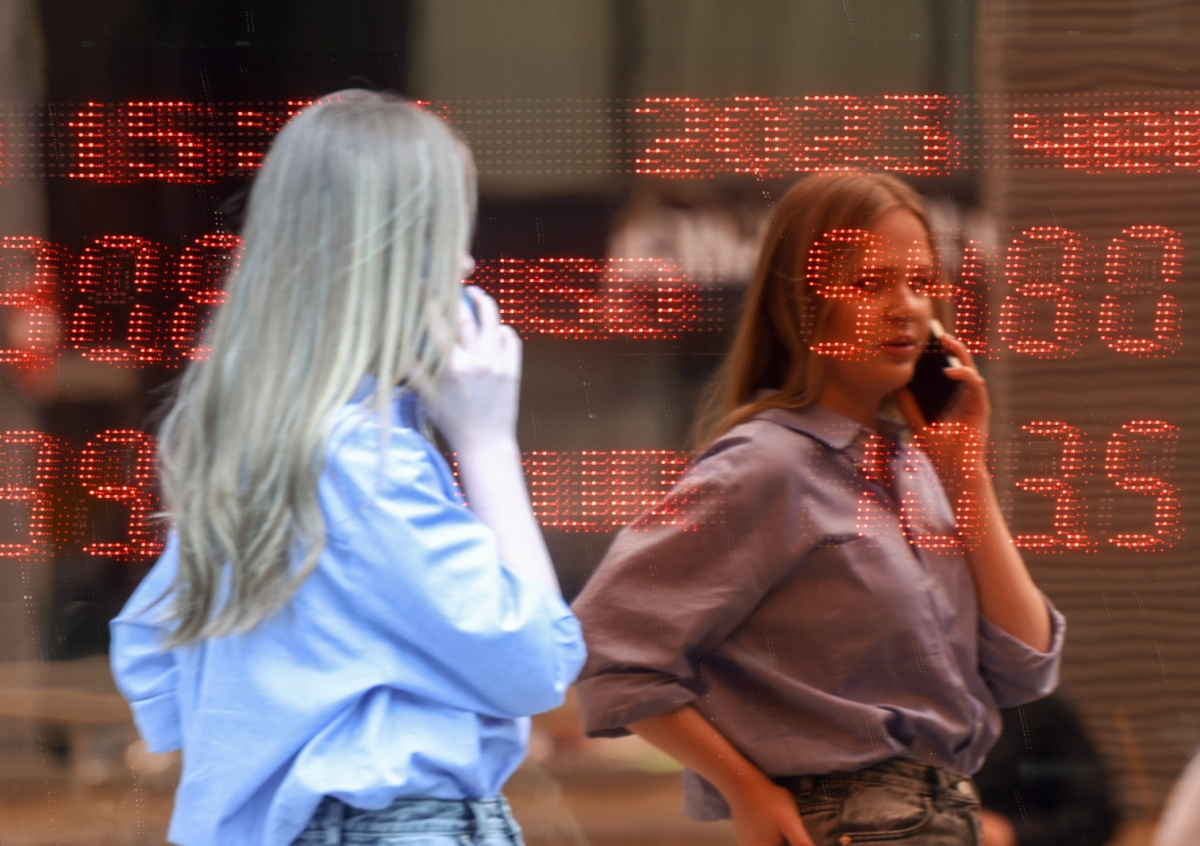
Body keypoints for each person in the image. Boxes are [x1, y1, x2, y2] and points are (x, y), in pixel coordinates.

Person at [109, 91, 585, 846]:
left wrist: (279, 721)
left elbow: (150, 658)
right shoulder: (365, 462)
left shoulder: (249, 445)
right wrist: (487, 441)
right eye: (447, 236)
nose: (467, 264)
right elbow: (537, 663)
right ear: (388, 260)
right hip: (394, 824)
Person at [571, 172, 1065, 846]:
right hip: (853, 820)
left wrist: (966, 475)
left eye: (921, 282)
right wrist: (745, 789)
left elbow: (1027, 664)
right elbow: (606, 649)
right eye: (870, 284)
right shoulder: (769, 464)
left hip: (947, 812)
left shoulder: (921, 469)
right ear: (802, 304)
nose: (906, 307)